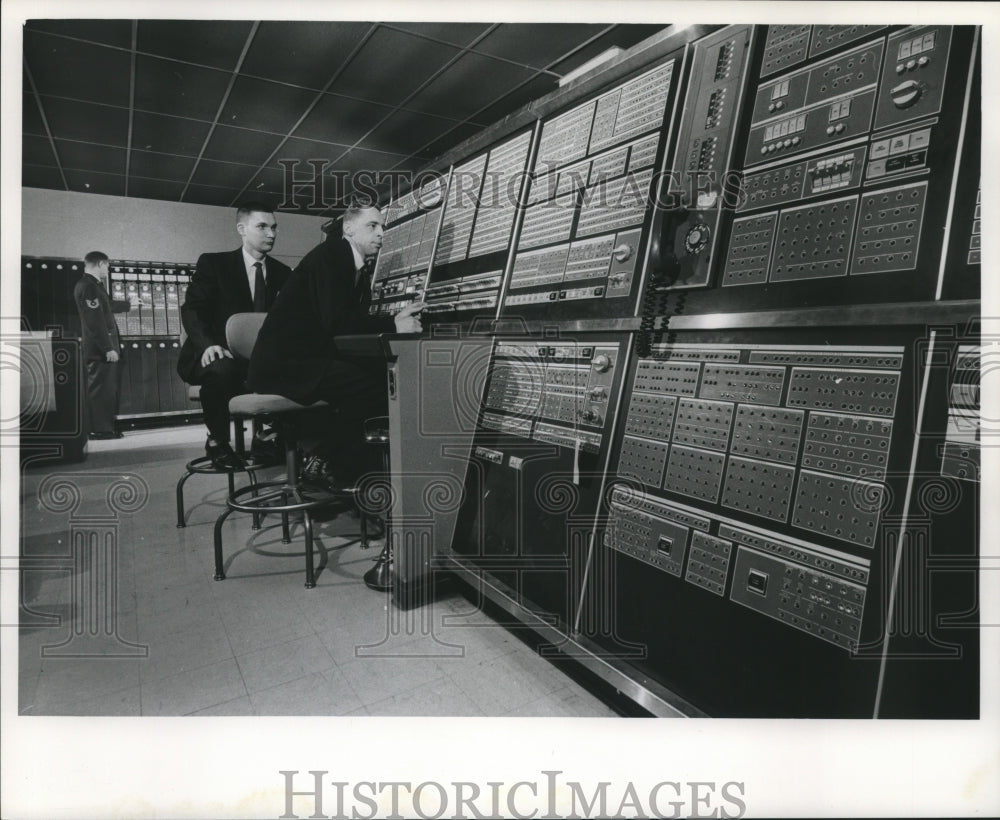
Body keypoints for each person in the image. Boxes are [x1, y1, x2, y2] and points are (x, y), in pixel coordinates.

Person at [247, 203, 424, 488]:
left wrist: (390, 322)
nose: (380, 233)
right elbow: (338, 322)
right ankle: (332, 463)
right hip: (284, 367)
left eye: (383, 227)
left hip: (301, 360)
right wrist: (393, 325)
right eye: (372, 226)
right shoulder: (333, 255)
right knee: (377, 384)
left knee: (371, 379)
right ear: (349, 228)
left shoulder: (355, 266)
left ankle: (334, 464)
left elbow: (344, 320)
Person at [178, 201, 292, 469]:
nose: (271, 234)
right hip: (216, 353)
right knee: (223, 369)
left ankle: (267, 438)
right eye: (262, 226)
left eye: (274, 227)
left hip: (259, 360)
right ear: (242, 229)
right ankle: (217, 441)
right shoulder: (214, 264)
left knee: (293, 369)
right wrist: (207, 345)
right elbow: (192, 310)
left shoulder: (283, 273)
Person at [73, 251, 137, 439]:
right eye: (107, 266)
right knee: (100, 390)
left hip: (101, 348)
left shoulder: (92, 285)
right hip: (100, 350)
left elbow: (106, 306)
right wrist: (108, 348)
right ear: (100, 263)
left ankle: (104, 427)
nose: (108, 270)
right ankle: (98, 429)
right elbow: (95, 321)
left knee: (105, 389)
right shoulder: (88, 286)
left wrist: (129, 304)